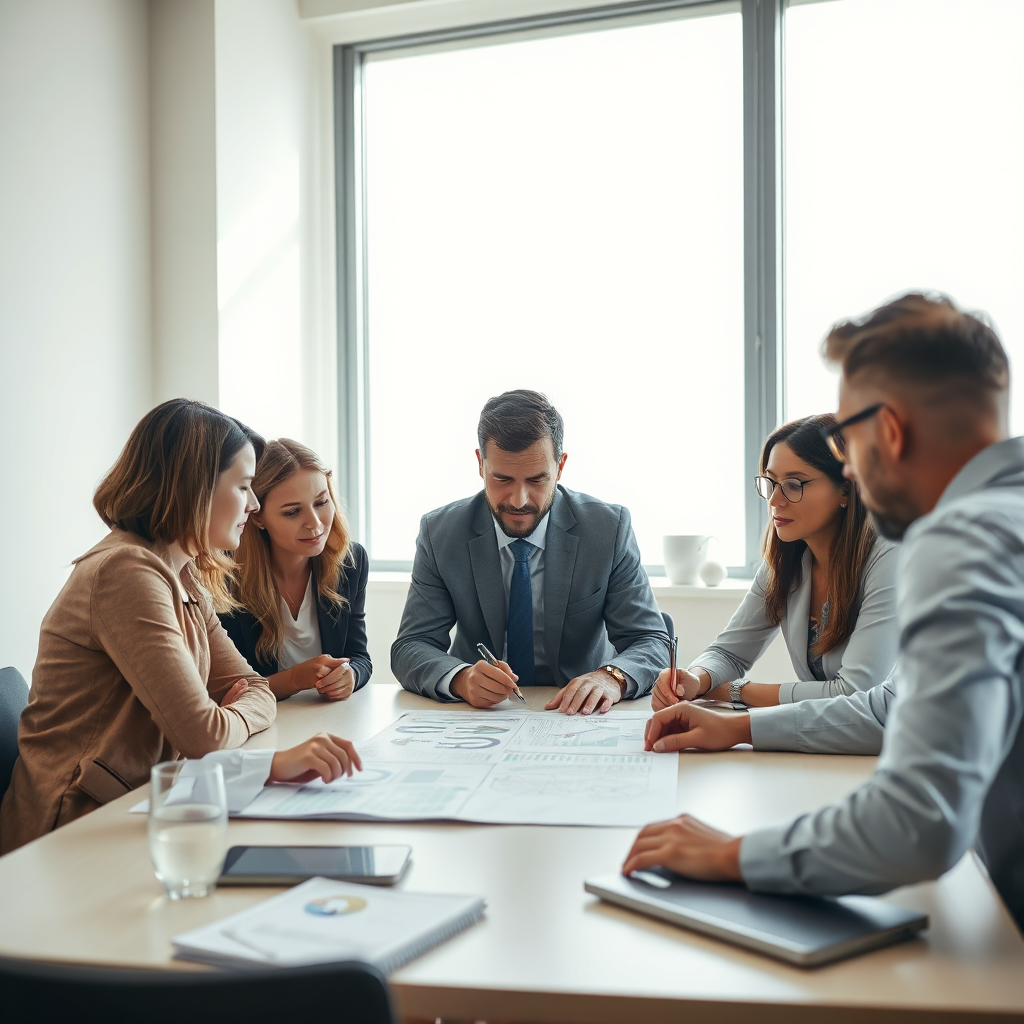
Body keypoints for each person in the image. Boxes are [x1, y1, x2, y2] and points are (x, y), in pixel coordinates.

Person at [622, 293, 1024, 931]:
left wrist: (735, 853)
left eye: (847, 437)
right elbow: (892, 707)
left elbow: (919, 822)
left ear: (887, 431)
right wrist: (734, 716)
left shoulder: (961, 541)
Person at [0, 400, 361, 854]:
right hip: (73, 829)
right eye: (245, 486)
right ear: (197, 488)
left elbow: (255, 688)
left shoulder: (181, 570)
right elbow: (204, 736)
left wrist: (235, 709)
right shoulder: (126, 571)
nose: (252, 505)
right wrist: (269, 757)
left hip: (142, 803)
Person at [391, 389, 669, 715]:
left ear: (560, 466)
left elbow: (651, 640)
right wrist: (460, 678)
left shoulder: (607, 529)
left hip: (581, 716)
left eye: (537, 480)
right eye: (502, 479)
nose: (520, 500)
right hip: (479, 718)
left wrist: (611, 677)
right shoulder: (441, 533)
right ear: (480, 464)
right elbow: (411, 646)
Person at [651, 414, 898, 712]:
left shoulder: (891, 556)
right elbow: (728, 653)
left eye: (794, 484)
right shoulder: (786, 561)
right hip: (831, 743)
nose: (774, 500)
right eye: (771, 482)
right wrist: (694, 678)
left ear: (846, 488)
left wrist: (736, 691)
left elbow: (857, 693)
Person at [219, 439, 371, 702]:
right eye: (292, 512)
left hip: (326, 718)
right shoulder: (223, 574)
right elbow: (228, 689)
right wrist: (294, 680)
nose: (315, 524)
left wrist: (351, 674)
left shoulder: (351, 562)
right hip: (260, 725)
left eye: (321, 502)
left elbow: (359, 656)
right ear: (257, 516)